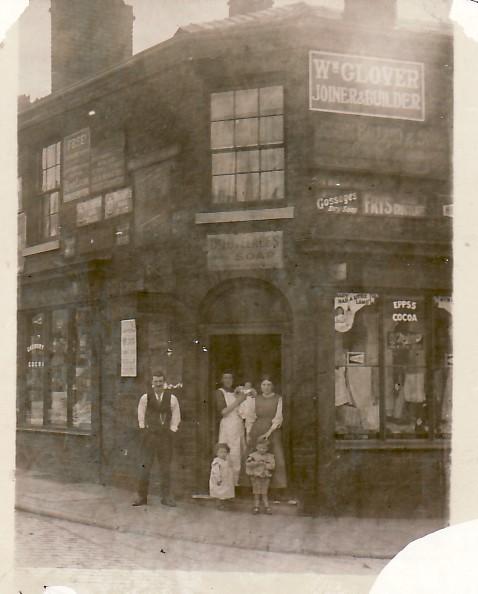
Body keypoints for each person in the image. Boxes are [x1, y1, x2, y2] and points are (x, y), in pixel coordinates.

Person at [132, 371, 180, 507]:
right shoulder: (145, 398)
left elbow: (176, 416)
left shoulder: (172, 398)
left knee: (165, 468)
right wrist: (144, 429)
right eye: (156, 382)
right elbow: (140, 415)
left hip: (165, 437)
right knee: (145, 466)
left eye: (160, 381)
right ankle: (142, 497)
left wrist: (172, 430)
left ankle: (166, 497)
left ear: (164, 383)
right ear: (152, 383)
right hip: (150, 436)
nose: (158, 384)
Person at [242, 376, 287, 490]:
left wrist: (268, 433)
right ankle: (250, 486)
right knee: (252, 456)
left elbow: (278, 418)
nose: (266, 387)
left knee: (276, 456)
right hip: (257, 429)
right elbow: (250, 417)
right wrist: (249, 433)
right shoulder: (255, 399)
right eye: (264, 385)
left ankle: (276, 487)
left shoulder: (278, 398)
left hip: (272, 430)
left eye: (269, 385)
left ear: (273, 386)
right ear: (260, 386)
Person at [215, 371, 247, 485]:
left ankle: (237, 483)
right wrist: (239, 400)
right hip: (228, 425)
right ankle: (228, 484)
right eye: (225, 378)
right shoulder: (220, 392)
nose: (228, 380)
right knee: (230, 453)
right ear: (221, 379)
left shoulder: (236, 392)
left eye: (230, 378)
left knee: (239, 452)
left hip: (238, 424)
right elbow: (223, 412)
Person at [245, 437, 275, 514]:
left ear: (267, 448)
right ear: (256, 447)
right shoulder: (252, 456)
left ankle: (267, 507)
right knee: (256, 492)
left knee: (264, 492)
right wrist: (256, 463)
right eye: (260, 448)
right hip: (256, 476)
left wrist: (265, 464)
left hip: (265, 476)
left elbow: (272, 466)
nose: (262, 450)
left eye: (264, 448)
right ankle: (256, 506)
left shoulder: (270, 456)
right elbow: (247, 464)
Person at [209, 442, 235, 510]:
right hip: (219, 479)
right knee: (219, 492)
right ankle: (219, 504)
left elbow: (230, 467)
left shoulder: (226, 460)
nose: (223, 454)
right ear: (216, 453)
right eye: (221, 452)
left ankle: (225, 502)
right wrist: (218, 479)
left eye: (225, 452)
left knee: (225, 491)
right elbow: (215, 471)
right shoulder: (217, 461)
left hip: (226, 479)